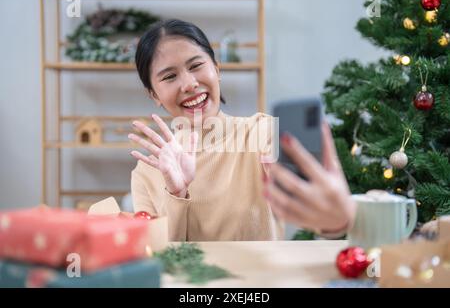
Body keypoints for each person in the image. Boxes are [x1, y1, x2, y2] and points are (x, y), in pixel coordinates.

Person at [128, 19, 355, 241]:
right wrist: (175, 193)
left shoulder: (260, 133)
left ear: (217, 70)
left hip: (260, 280)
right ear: (154, 95)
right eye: (169, 76)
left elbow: (318, 212)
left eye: (196, 66)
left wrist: (335, 219)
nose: (188, 84)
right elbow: (157, 260)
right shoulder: (147, 172)